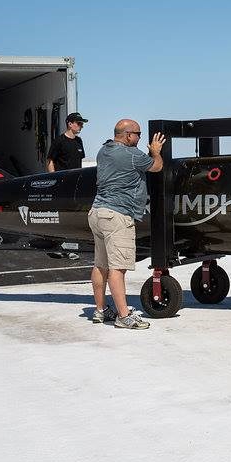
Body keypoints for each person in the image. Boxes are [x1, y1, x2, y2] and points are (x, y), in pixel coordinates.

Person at [88, 119, 165, 329]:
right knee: (117, 267)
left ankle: (100, 310)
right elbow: (157, 167)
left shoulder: (103, 151)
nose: (140, 138)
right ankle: (123, 316)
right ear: (128, 135)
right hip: (117, 216)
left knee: (100, 265)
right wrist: (156, 151)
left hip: (97, 212)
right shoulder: (133, 155)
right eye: (138, 134)